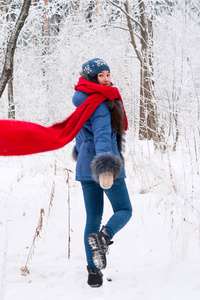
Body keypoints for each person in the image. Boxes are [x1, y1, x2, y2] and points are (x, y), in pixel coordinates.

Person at [72, 58, 132, 288]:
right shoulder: (99, 104)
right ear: (91, 79)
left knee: (92, 218)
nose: (107, 79)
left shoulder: (84, 99)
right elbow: (102, 136)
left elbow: (81, 136)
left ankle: (93, 273)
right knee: (125, 209)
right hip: (104, 166)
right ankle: (104, 237)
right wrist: (106, 167)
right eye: (101, 76)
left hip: (85, 166)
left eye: (108, 74)